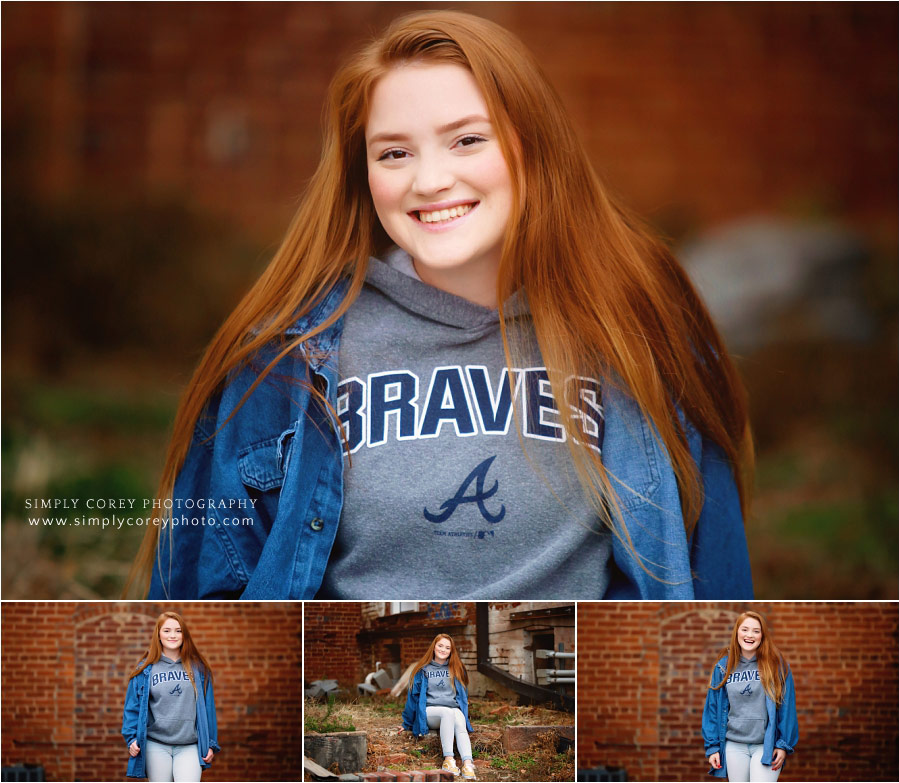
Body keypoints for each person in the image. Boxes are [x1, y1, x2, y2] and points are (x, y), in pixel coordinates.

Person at [128, 10, 754, 600]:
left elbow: (714, 581)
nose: (428, 181)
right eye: (394, 153)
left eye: (466, 141)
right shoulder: (285, 361)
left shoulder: (635, 329)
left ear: (531, 147)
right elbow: (209, 598)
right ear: (362, 172)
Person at [121, 612, 219, 782]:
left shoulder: (199, 669)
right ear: (158, 635)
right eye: (166, 631)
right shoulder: (144, 670)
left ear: (184, 635)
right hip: (156, 744)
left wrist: (210, 743)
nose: (172, 635)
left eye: (178, 631)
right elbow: (132, 708)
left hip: (190, 745)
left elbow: (208, 708)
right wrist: (131, 739)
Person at [702, 611, 798, 781]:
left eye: (756, 631)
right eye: (745, 629)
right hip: (733, 745)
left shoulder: (776, 666)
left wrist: (782, 744)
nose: (749, 635)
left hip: (765, 746)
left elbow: (787, 707)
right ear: (737, 632)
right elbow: (712, 709)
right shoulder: (723, 667)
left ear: (762, 636)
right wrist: (713, 747)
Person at [400, 634, 476, 780]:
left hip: (452, 710)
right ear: (434, 647)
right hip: (430, 712)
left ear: (451, 651)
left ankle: (467, 763)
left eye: (447, 647)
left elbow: (463, 697)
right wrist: (407, 723)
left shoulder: (457, 668)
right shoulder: (422, 670)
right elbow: (413, 697)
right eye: (440, 646)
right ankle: (448, 760)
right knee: (447, 713)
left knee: (460, 720)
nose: (443, 649)